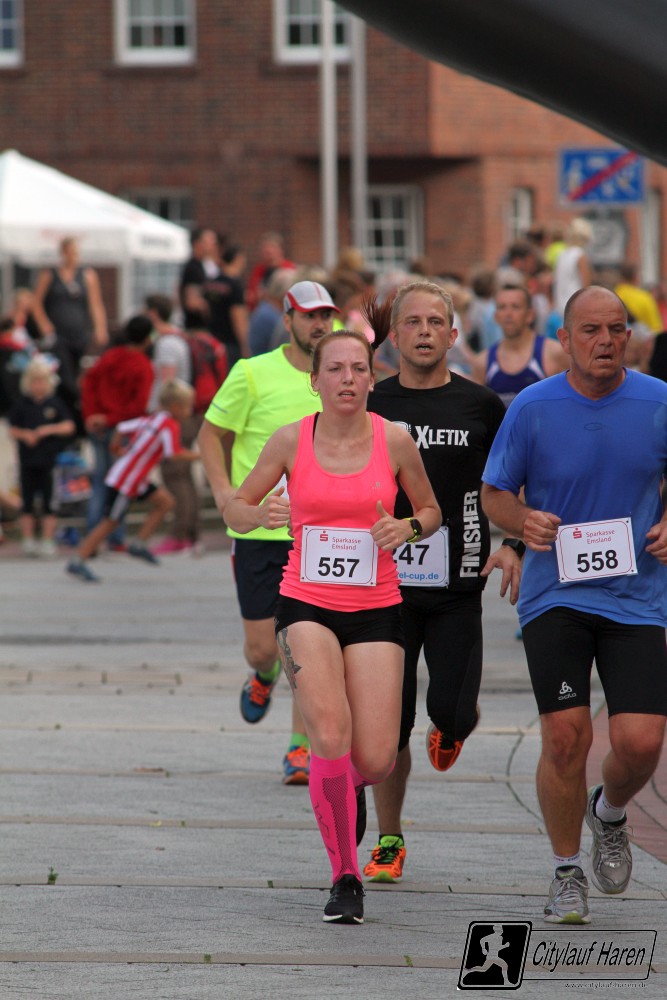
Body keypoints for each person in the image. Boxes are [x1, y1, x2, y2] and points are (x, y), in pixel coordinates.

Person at [223, 327, 441, 924]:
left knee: (376, 758)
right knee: (328, 733)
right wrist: (259, 513)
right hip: (306, 604)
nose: (348, 378)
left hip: (376, 606)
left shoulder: (394, 440)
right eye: (336, 369)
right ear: (315, 380)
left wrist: (408, 528)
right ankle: (345, 875)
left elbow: (431, 510)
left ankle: (345, 788)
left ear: (372, 378)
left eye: (359, 368)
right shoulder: (290, 439)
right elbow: (235, 506)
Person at [481, 286, 667, 925]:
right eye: (591, 330)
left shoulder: (658, 401)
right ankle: (566, 870)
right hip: (554, 594)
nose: (605, 341)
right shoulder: (533, 407)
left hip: (636, 595)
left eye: (616, 329)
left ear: (630, 337)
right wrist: (523, 521)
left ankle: (608, 813)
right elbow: (494, 492)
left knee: (641, 742)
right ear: (563, 338)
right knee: (566, 736)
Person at [361, 281, 521, 883]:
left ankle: (454, 721)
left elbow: (516, 480)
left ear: (454, 335)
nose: (424, 331)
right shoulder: (371, 402)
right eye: (413, 322)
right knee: (389, 726)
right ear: (394, 336)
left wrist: (513, 545)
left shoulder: (481, 406)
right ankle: (390, 839)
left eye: (436, 322)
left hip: (457, 585)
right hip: (385, 587)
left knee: (450, 712)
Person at [197, 280, 339, 786]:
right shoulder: (252, 373)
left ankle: (300, 745)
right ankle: (262, 674)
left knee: (306, 643)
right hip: (259, 531)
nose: (319, 324)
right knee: (265, 648)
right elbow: (209, 435)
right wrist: (223, 492)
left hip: (318, 534)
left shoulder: (340, 374)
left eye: (325, 315)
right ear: (288, 320)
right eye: (309, 315)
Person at [67, 380, 198, 583]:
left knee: (166, 502)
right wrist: (201, 456)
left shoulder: (152, 419)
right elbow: (173, 453)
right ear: (175, 407)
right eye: (187, 407)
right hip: (126, 481)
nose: (189, 411)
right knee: (111, 522)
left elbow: (122, 427)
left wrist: (116, 448)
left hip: (136, 478)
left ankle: (139, 543)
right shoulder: (169, 425)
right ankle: (79, 558)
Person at [80, 314, 155, 549]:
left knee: (100, 479)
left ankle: (92, 534)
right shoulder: (143, 365)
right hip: (122, 429)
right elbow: (138, 407)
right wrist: (110, 418)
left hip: (98, 424)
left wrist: (92, 415)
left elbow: (88, 383)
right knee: (119, 483)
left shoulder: (110, 356)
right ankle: (114, 536)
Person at [32, 237, 108, 423]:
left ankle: (75, 417)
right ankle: (68, 414)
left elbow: (95, 304)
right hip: (58, 335)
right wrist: (44, 325)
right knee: (64, 376)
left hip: (80, 333)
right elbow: (36, 302)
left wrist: (100, 328)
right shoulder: (50, 274)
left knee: (78, 372)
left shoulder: (87, 275)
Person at [8, 356, 76, 557]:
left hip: (49, 461)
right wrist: (26, 435)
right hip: (27, 460)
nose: (38, 385)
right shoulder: (22, 404)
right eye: (34, 381)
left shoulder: (55, 404)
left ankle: (47, 540)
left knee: (49, 502)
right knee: (27, 502)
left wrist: (47, 430)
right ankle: (28, 540)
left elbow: (69, 426)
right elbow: (12, 429)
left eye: (41, 381)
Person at [471, 285, 568, 407]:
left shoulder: (554, 353)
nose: (508, 314)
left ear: (530, 315)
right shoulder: (482, 362)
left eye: (515, 307)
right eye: (502, 307)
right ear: (495, 316)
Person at [553, 218, 593, 316]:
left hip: (560, 305)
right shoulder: (580, 255)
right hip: (577, 306)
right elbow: (586, 286)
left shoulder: (562, 255)